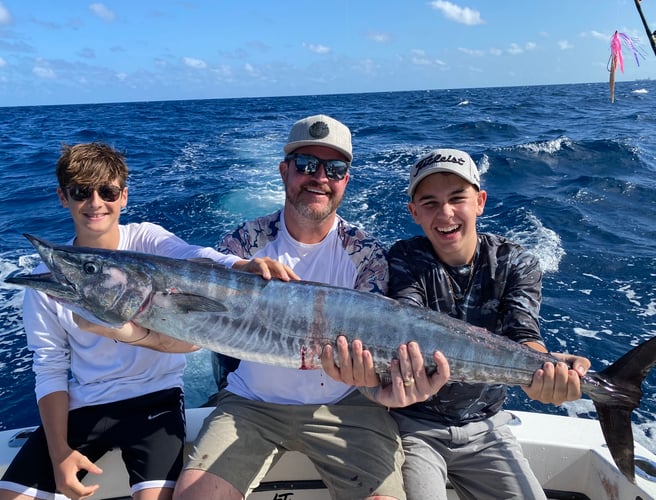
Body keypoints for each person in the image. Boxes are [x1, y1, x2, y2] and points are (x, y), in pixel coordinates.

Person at [75, 116, 448, 500]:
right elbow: (192, 338)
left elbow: (377, 361)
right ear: (284, 171)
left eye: (334, 169)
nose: (319, 177)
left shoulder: (366, 254)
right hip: (251, 406)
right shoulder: (242, 245)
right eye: (305, 165)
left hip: (345, 406)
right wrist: (124, 331)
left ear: (345, 182)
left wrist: (385, 385)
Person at [0, 142, 283, 500]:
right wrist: (59, 453)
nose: (95, 202)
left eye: (107, 191)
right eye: (80, 192)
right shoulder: (49, 282)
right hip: (85, 406)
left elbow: (193, 257)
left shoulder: (146, 239)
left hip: (156, 401)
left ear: (123, 197)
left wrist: (241, 266)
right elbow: (50, 367)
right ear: (63, 197)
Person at [323, 148, 591, 499]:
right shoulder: (405, 258)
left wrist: (545, 370)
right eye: (430, 203)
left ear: (480, 201)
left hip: (488, 426)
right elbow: (408, 329)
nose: (445, 213)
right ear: (413, 212)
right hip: (413, 426)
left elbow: (523, 333)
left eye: (457, 199)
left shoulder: (516, 262)